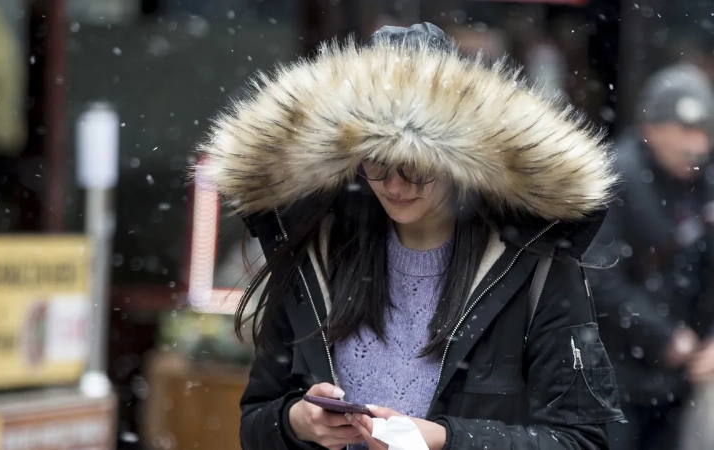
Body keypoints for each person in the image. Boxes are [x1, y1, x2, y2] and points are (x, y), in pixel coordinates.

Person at [196, 23, 625, 450]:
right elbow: (256, 422)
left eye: (415, 164)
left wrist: (444, 441)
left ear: (459, 156)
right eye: (376, 161)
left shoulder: (533, 262)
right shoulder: (316, 251)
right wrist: (299, 423)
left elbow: (581, 440)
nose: (394, 185)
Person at [587, 62, 714, 450]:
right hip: (615, 373)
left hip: (681, 379)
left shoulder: (706, 179)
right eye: (684, 130)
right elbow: (598, 274)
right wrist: (663, 336)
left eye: (703, 131)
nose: (696, 144)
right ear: (651, 129)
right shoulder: (614, 174)